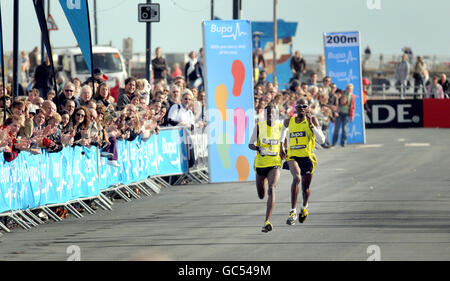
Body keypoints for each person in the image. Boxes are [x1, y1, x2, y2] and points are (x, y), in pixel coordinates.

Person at [281, 98, 325, 225]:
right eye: (298, 106)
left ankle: (304, 207)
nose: (301, 108)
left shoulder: (312, 120)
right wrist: (281, 145)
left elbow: (321, 140)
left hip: (307, 158)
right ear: (295, 108)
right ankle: (293, 211)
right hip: (293, 156)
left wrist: (312, 125)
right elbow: (283, 130)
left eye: (304, 106)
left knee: (305, 189)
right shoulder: (289, 121)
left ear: (308, 108)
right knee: (297, 178)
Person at [248, 104, 283, 233]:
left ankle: (267, 221)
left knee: (272, 189)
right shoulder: (258, 127)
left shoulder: (280, 127)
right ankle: (263, 182)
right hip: (261, 165)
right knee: (261, 195)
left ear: (276, 114)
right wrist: (258, 148)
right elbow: (250, 144)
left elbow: (284, 142)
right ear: (264, 114)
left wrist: (284, 152)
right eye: (268, 113)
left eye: (273, 113)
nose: (271, 116)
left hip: (274, 163)